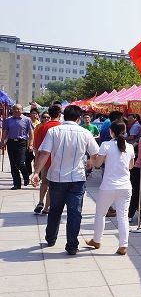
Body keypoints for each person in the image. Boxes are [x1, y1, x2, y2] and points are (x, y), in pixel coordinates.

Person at [31, 105, 99, 255]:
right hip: (77, 178)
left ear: (63, 116)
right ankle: (72, 245)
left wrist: (36, 172)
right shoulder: (85, 133)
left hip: (57, 177)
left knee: (55, 209)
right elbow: (95, 153)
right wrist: (90, 162)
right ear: (79, 118)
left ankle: (50, 238)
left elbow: (44, 153)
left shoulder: (54, 131)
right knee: (75, 212)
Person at [86, 121, 134, 255]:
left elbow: (97, 164)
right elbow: (131, 166)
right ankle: (123, 245)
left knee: (100, 214)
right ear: (125, 132)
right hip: (125, 186)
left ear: (111, 132)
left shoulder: (105, 145)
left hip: (108, 186)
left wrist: (93, 159)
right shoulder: (130, 147)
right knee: (123, 216)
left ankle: (96, 240)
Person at [32, 105, 62, 214]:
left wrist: (36, 162)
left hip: (44, 160)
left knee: (44, 182)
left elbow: (37, 147)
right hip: (58, 161)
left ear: (49, 114)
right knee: (52, 185)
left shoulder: (41, 127)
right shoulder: (61, 127)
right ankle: (46, 208)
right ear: (59, 114)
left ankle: (41, 201)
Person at [1, 104, 34, 189]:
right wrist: (2, 141)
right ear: (12, 110)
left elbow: (31, 133)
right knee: (13, 164)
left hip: (22, 143)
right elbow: (5, 131)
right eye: (14, 109)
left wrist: (31, 144)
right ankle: (16, 184)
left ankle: (26, 176)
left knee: (20, 162)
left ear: (22, 110)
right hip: (11, 142)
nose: (16, 111)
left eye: (18, 109)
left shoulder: (27, 120)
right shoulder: (8, 120)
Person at [24, 108, 41, 177]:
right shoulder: (27, 122)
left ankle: (38, 175)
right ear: (30, 114)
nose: (34, 115)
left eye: (36, 114)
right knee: (27, 160)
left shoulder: (39, 124)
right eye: (33, 113)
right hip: (28, 144)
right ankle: (29, 173)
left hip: (37, 144)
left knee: (37, 160)